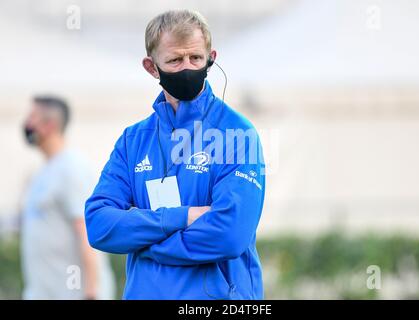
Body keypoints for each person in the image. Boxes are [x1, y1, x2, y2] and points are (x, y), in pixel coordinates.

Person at [85, 10, 266, 299]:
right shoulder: (133, 141)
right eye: (174, 60)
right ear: (151, 67)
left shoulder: (237, 135)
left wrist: (145, 242)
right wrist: (181, 217)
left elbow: (230, 235)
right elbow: (99, 225)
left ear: (211, 58)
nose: (187, 68)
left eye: (195, 58)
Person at [21, 95, 115, 300]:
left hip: (73, 295)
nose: (26, 123)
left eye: (32, 117)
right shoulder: (44, 172)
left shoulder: (71, 167)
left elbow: (87, 233)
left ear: (49, 125)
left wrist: (91, 293)